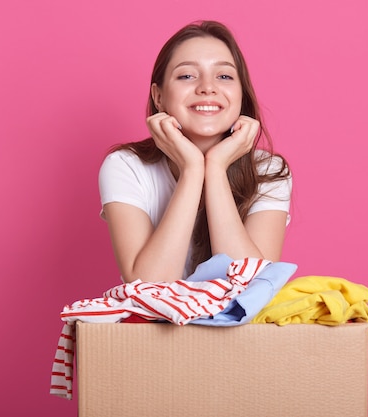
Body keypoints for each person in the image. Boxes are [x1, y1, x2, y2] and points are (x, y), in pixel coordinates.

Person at [99, 20, 292, 283]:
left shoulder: (268, 172)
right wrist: (192, 168)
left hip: (240, 326)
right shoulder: (126, 166)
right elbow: (148, 286)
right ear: (158, 97)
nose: (207, 87)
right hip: (150, 326)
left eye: (224, 76)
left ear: (241, 95)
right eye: (187, 75)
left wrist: (215, 167)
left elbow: (251, 290)